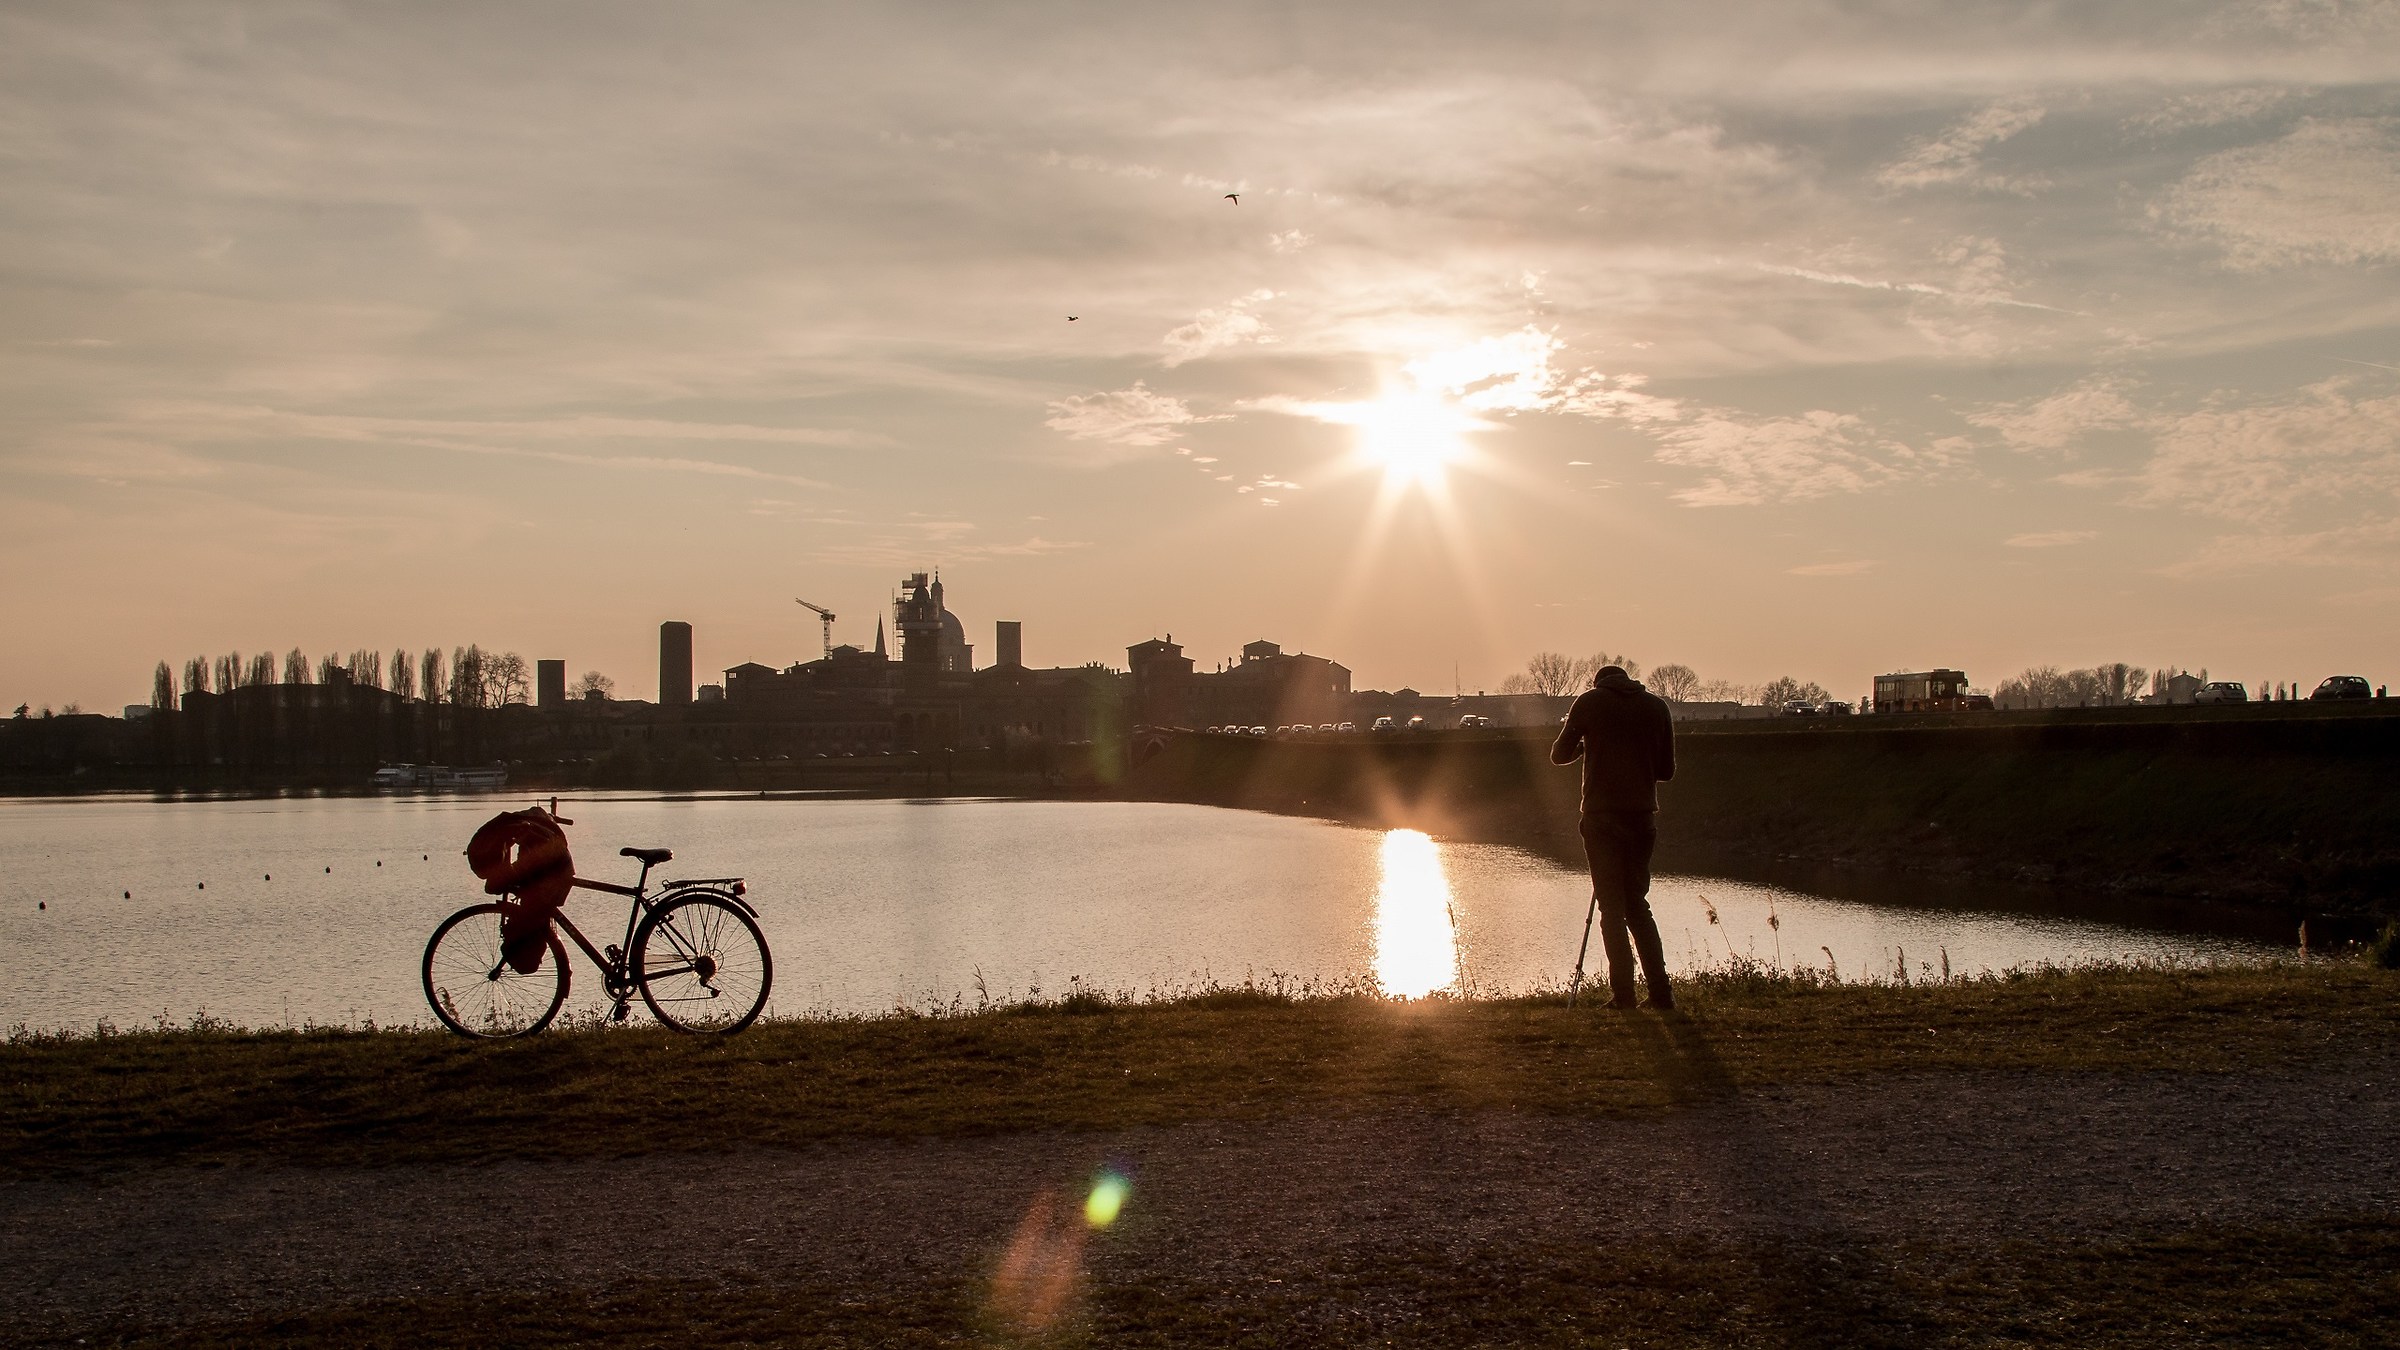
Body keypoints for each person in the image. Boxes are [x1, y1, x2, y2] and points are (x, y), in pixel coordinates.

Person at [1550, 664, 1676, 1010]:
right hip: (1642, 817)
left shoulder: (1589, 703)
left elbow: (1558, 755)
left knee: (1611, 908)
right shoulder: (1657, 707)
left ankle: (1624, 995)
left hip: (1601, 818)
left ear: (1598, 683)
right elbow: (1666, 771)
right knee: (1638, 906)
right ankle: (1662, 994)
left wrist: (1587, 747)